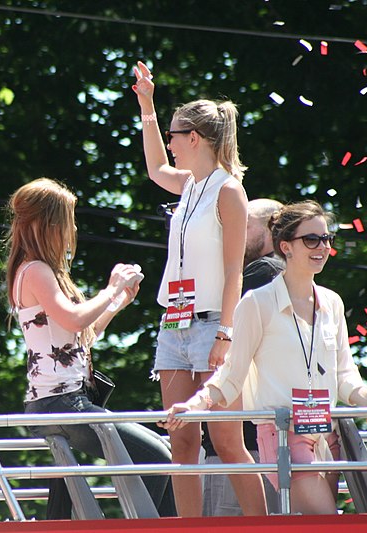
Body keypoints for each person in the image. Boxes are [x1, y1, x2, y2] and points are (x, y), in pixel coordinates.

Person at [163, 200, 367, 515]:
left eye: (327, 239)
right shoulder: (256, 303)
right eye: (311, 239)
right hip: (284, 435)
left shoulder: (332, 303)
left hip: (327, 434)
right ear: (285, 246)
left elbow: (345, 376)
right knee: (324, 519)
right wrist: (192, 406)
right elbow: (230, 374)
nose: (322, 247)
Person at [131, 60, 266, 516]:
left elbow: (234, 271)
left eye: (173, 133)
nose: (169, 142)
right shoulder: (188, 185)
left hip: (213, 325)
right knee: (181, 438)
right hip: (174, 323)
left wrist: (227, 334)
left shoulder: (229, 190)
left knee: (227, 439)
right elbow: (154, 168)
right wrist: (146, 104)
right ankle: (187, 527)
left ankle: (263, 527)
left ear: (195, 138)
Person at [6, 177, 176, 518]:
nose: (72, 229)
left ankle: (166, 524)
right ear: (47, 224)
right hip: (62, 403)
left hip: (59, 402)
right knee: (158, 457)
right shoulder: (37, 270)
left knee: (162, 454)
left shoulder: (38, 270)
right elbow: (73, 319)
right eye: (67, 220)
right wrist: (112, 289)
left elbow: (77, 337)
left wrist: (116, 304)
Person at [201, 198, 283, 516]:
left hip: (243, 445)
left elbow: (219, 341)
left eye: (244, 224)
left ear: (273, 228)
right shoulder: (287, 279)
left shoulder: (264, 272)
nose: (233, 232)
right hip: (258, 442)